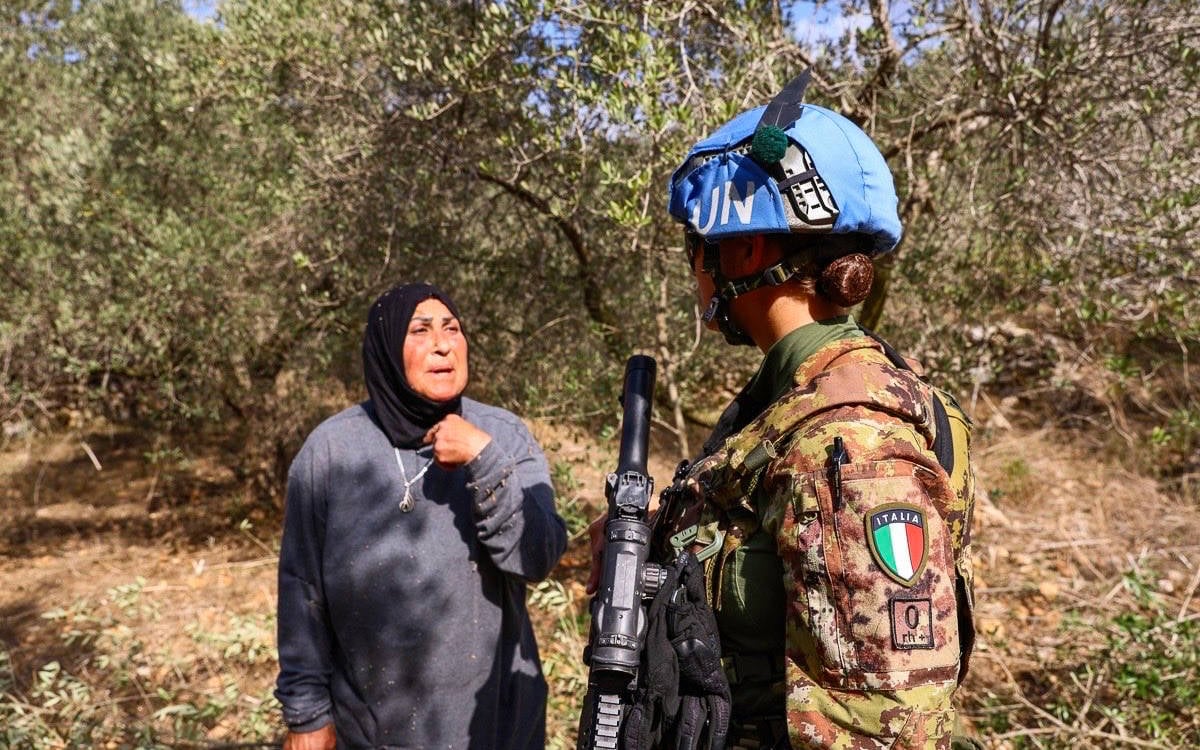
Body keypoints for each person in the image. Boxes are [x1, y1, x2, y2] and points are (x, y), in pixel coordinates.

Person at [595, 74, 977, 748]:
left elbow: (884, 726)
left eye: (699, 250)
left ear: (743, 250)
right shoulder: (788, 406)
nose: (696, 273)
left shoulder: (852, 442)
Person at [275, 282, 568, 750]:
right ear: (388, 350)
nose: (443, 344)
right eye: (421, 330)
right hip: (370, 731)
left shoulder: (501, 434)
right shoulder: (331, 451)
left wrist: (482, 456)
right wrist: (306, 713)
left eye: (452, 328)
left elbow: (536, 558)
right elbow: (302, 589)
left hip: (496, 727)